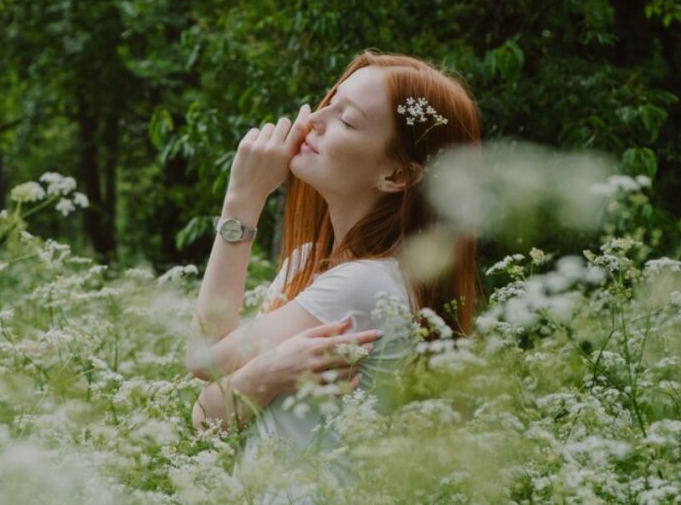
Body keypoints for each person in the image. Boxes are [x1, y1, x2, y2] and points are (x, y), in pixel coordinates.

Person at [185, 48, 484, 503]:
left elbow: (205, 363)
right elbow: (207, 417)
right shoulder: (310, 264)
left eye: (346, 120)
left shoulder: (365, 285)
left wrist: (241, 202)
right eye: (328, 101)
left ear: (397, 175)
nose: (312, 121)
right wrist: (266, 372)